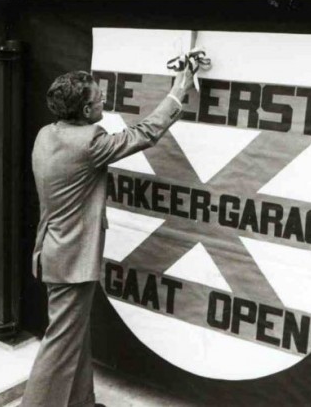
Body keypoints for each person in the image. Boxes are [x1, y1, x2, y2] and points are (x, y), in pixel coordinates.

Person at [22, 59, 198, 407]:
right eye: (100, 99)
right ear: (86, 109)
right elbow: (145, 133)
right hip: (71, 260)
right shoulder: (89, 142)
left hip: (52, 253)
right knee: (60, 342)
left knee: (73, 334)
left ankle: (82, 402)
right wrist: (179, 90)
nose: (105, 102)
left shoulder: (47, 134)